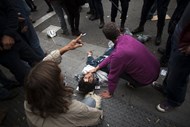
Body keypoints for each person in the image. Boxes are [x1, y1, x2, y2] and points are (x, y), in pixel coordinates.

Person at [24, 36, 103, 127]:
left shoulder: (30, 100)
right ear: (56, 89)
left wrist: (67, 48)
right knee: (91, 101)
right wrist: (99, 114)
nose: (63, 77)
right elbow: (95, 117)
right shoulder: (74, 109)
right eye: (61, 79)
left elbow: (44, 65)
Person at [90, 22, 160, 98]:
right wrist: (98, 67)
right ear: (119, 30)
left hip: (145, 80)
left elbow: (112, 77)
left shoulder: (118, 54)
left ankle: (135, 84)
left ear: (108, 38)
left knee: (110, 67)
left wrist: (110, 92)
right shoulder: (127, 37)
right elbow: (112, 56)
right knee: (119, 62)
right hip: (156, 70)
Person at [152, 2, 190, 113]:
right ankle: (166, 87)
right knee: (172, 65)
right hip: (182, 29)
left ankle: (174, 100)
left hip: (187, 42)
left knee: (180, 73)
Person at [0, 0, 42, 85]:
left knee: (37, 62)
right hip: (3, 51)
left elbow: (11, 10)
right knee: (24, 75)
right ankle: (39, 95)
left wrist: (9, 33)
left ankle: (52, 86)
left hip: (14, 38)